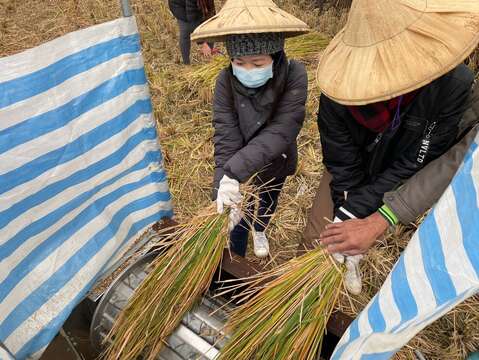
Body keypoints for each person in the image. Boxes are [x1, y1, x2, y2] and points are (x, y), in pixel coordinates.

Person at [303, 0, 479, 293]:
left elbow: (421, 159)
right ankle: (311, 289)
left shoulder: (452, 84)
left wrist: (371, 215)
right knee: (321, 238)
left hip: (403, 168)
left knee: (365, 230)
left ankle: (353, 258)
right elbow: (341, 159)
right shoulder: (338, 89)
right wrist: (347, 206)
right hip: (353, 167)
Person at [191, 0, 310, 257]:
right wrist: (222, 185)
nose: (247, 70)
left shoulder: (294, 75)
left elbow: (282, 130)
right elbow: (226, 134)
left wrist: (234, 172)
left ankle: (260, 229)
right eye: (239, 62)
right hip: (239, 159)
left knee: (268, 197)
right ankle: (237, 250)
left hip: (276, 157)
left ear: (275, 56)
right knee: (235, 207)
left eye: (257, 64)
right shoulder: (225, 81)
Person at [168, 0, 215, 64]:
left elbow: (211, 10)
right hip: (179, 5)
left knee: (209, 23)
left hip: (194, 4)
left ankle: (209, 53)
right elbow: (193, 20)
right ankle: (186, 63)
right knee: (186, 30)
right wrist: (203, 42)